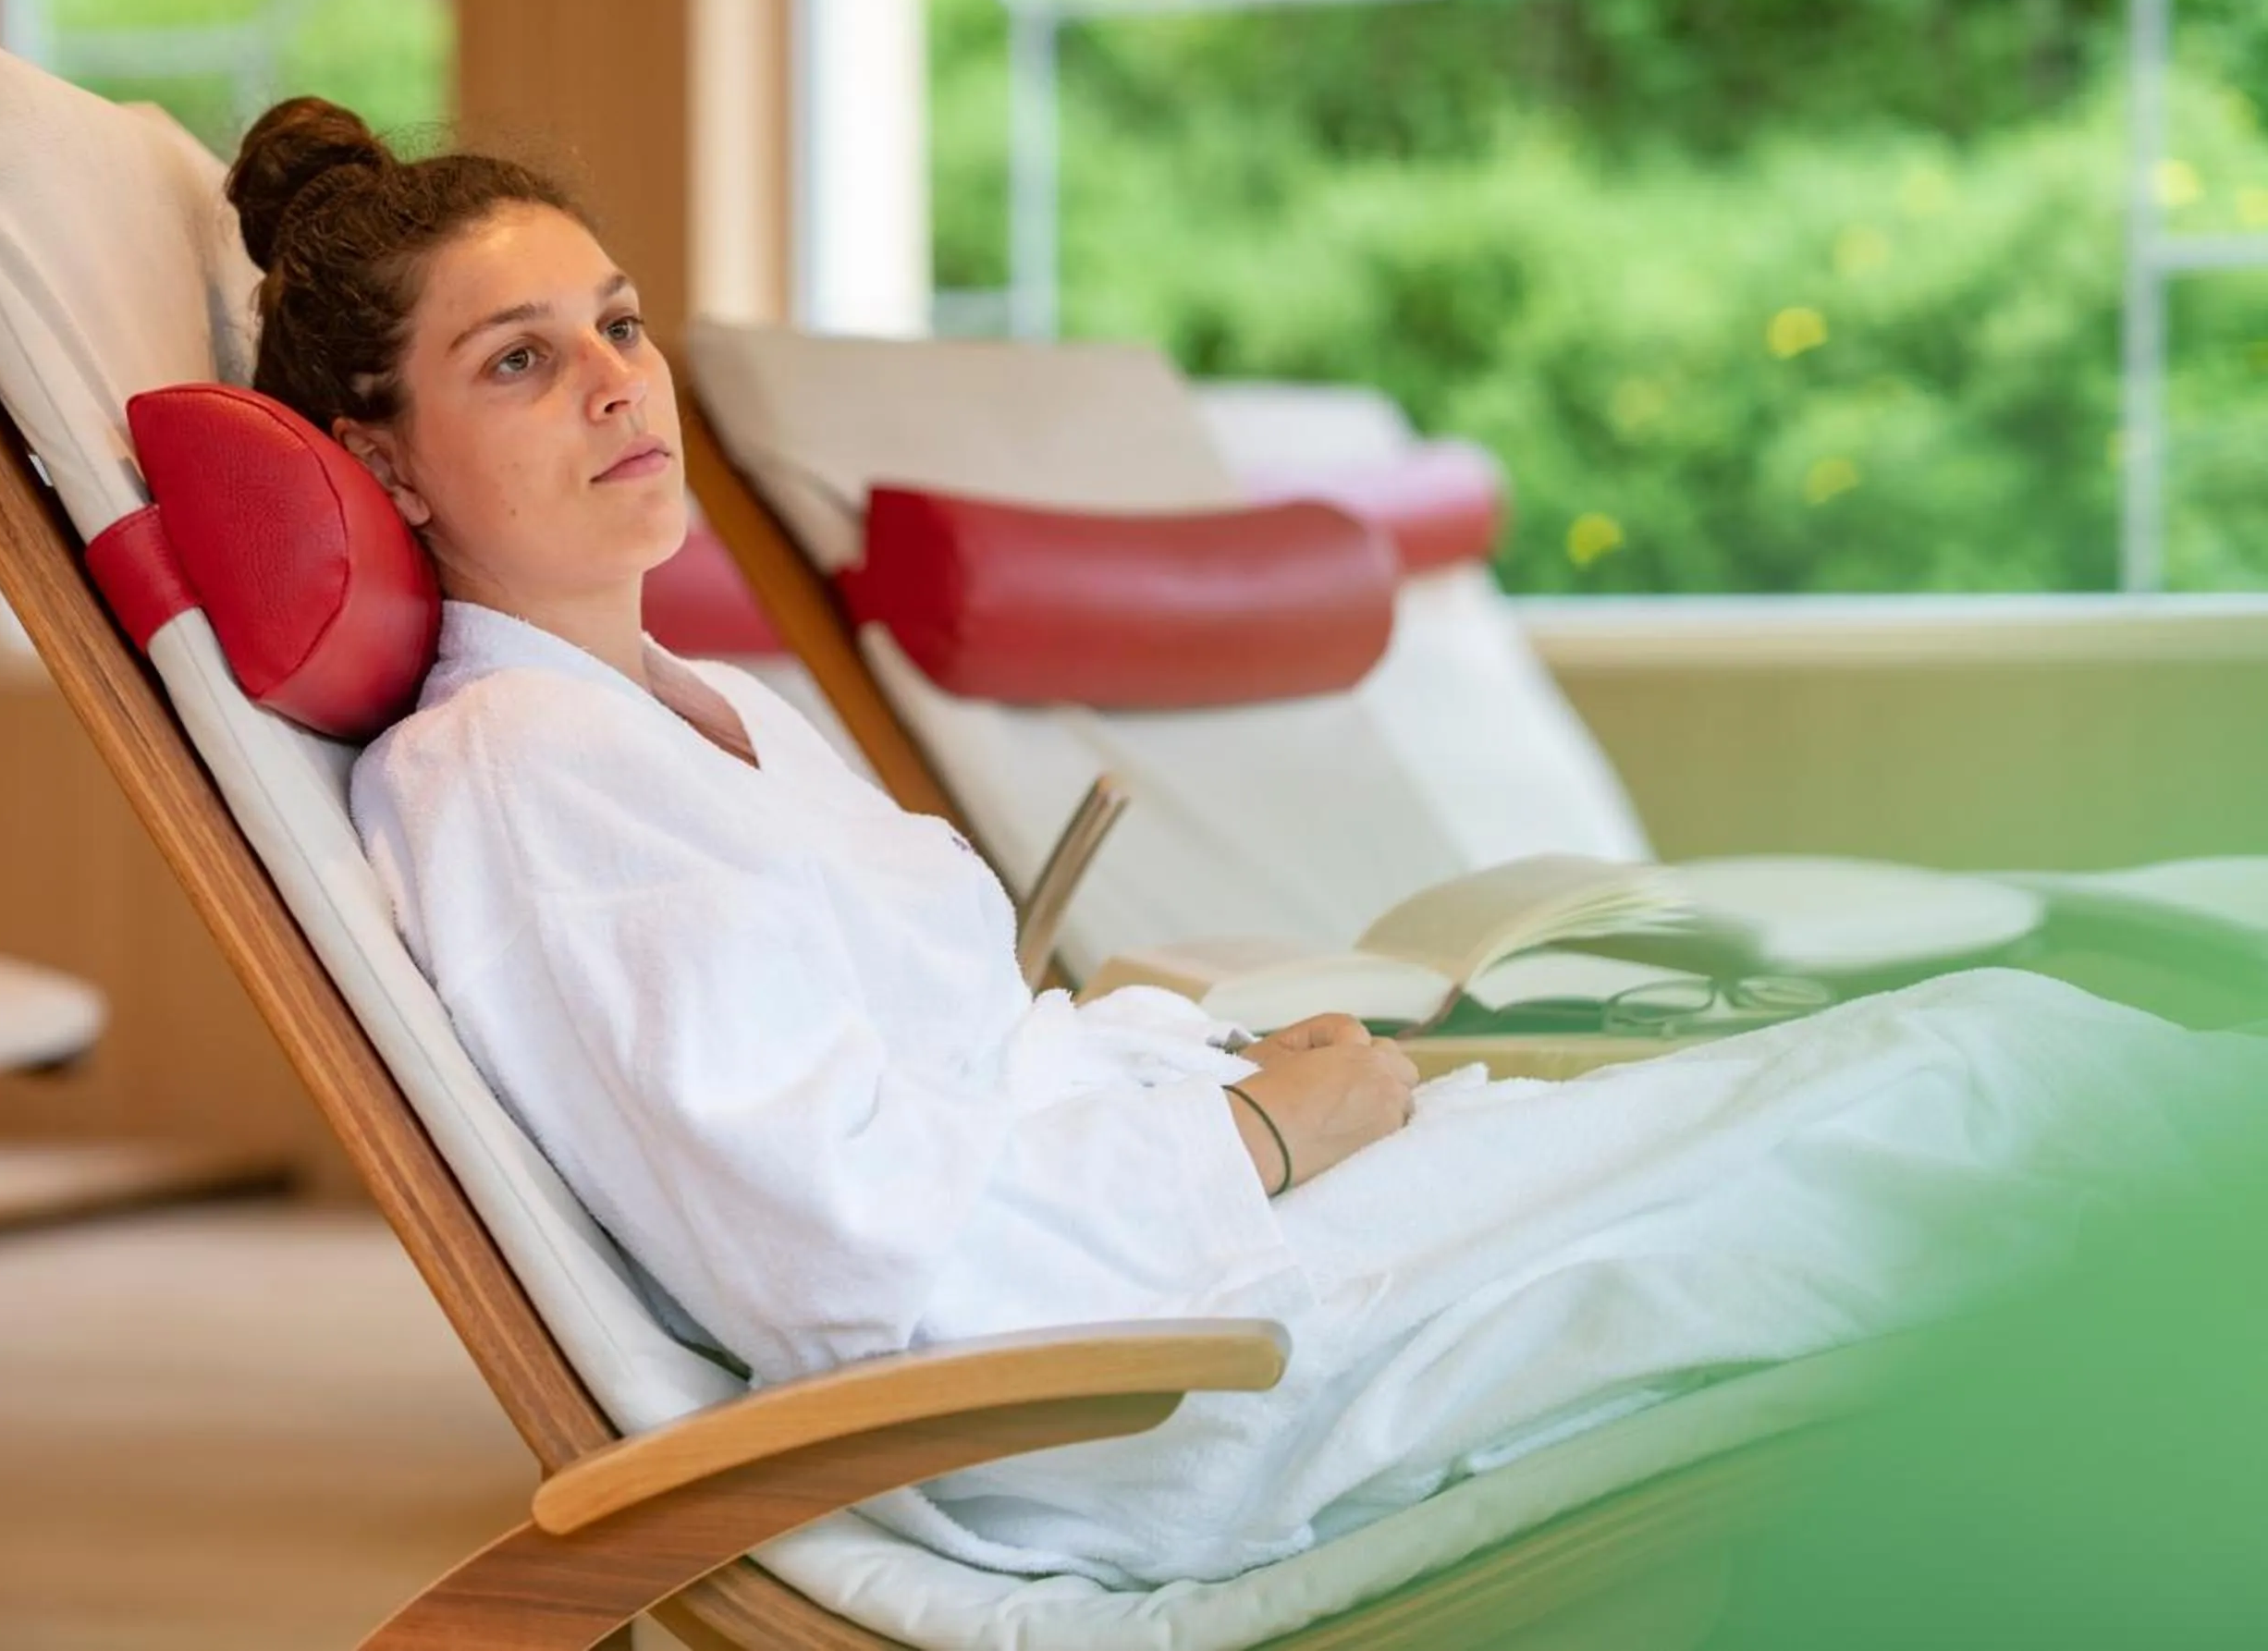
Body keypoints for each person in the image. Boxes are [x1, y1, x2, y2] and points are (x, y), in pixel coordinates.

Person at [229, 98, 2267, 1589]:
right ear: (379, 458)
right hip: (1142, 1394)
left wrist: (1235, 1081)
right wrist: (1260, 1137)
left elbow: (940, 1091)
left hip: (1192, 1264)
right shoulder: (521, 773)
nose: (614, 385)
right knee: (1981, 1095)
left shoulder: (695, 714)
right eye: (520, 360)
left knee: (1973, 1066)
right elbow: (855, 1260)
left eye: (618, 322)